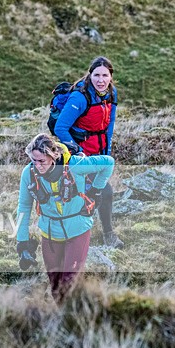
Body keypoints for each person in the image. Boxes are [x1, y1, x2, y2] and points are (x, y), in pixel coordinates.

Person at [16, 133, 114, 302]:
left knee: (68, 283)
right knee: (55, 287)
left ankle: (73, 319)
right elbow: (24, 207)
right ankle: (62, 318)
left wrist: (96, 189)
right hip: (49, 233)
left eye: (42, 161)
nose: (37, 165)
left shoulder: (75, 165)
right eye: (34, 160)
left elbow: (108, 163)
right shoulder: (29, 173)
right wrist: (22, 243)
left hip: (78, 230)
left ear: (53, 156)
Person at [52, 56, 123, 249]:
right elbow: (60, 128)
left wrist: (106, 155)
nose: (100, 80)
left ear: (111, 77)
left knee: (97, 192)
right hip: (79, 156)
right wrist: (78, 152)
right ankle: (105, 235)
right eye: (96, 75)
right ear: (90, 75)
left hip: (98, 154)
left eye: (105, 75)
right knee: (103, 192)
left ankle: (82, 235)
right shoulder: (80, 97)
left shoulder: (111, 94)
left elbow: (109, 128)